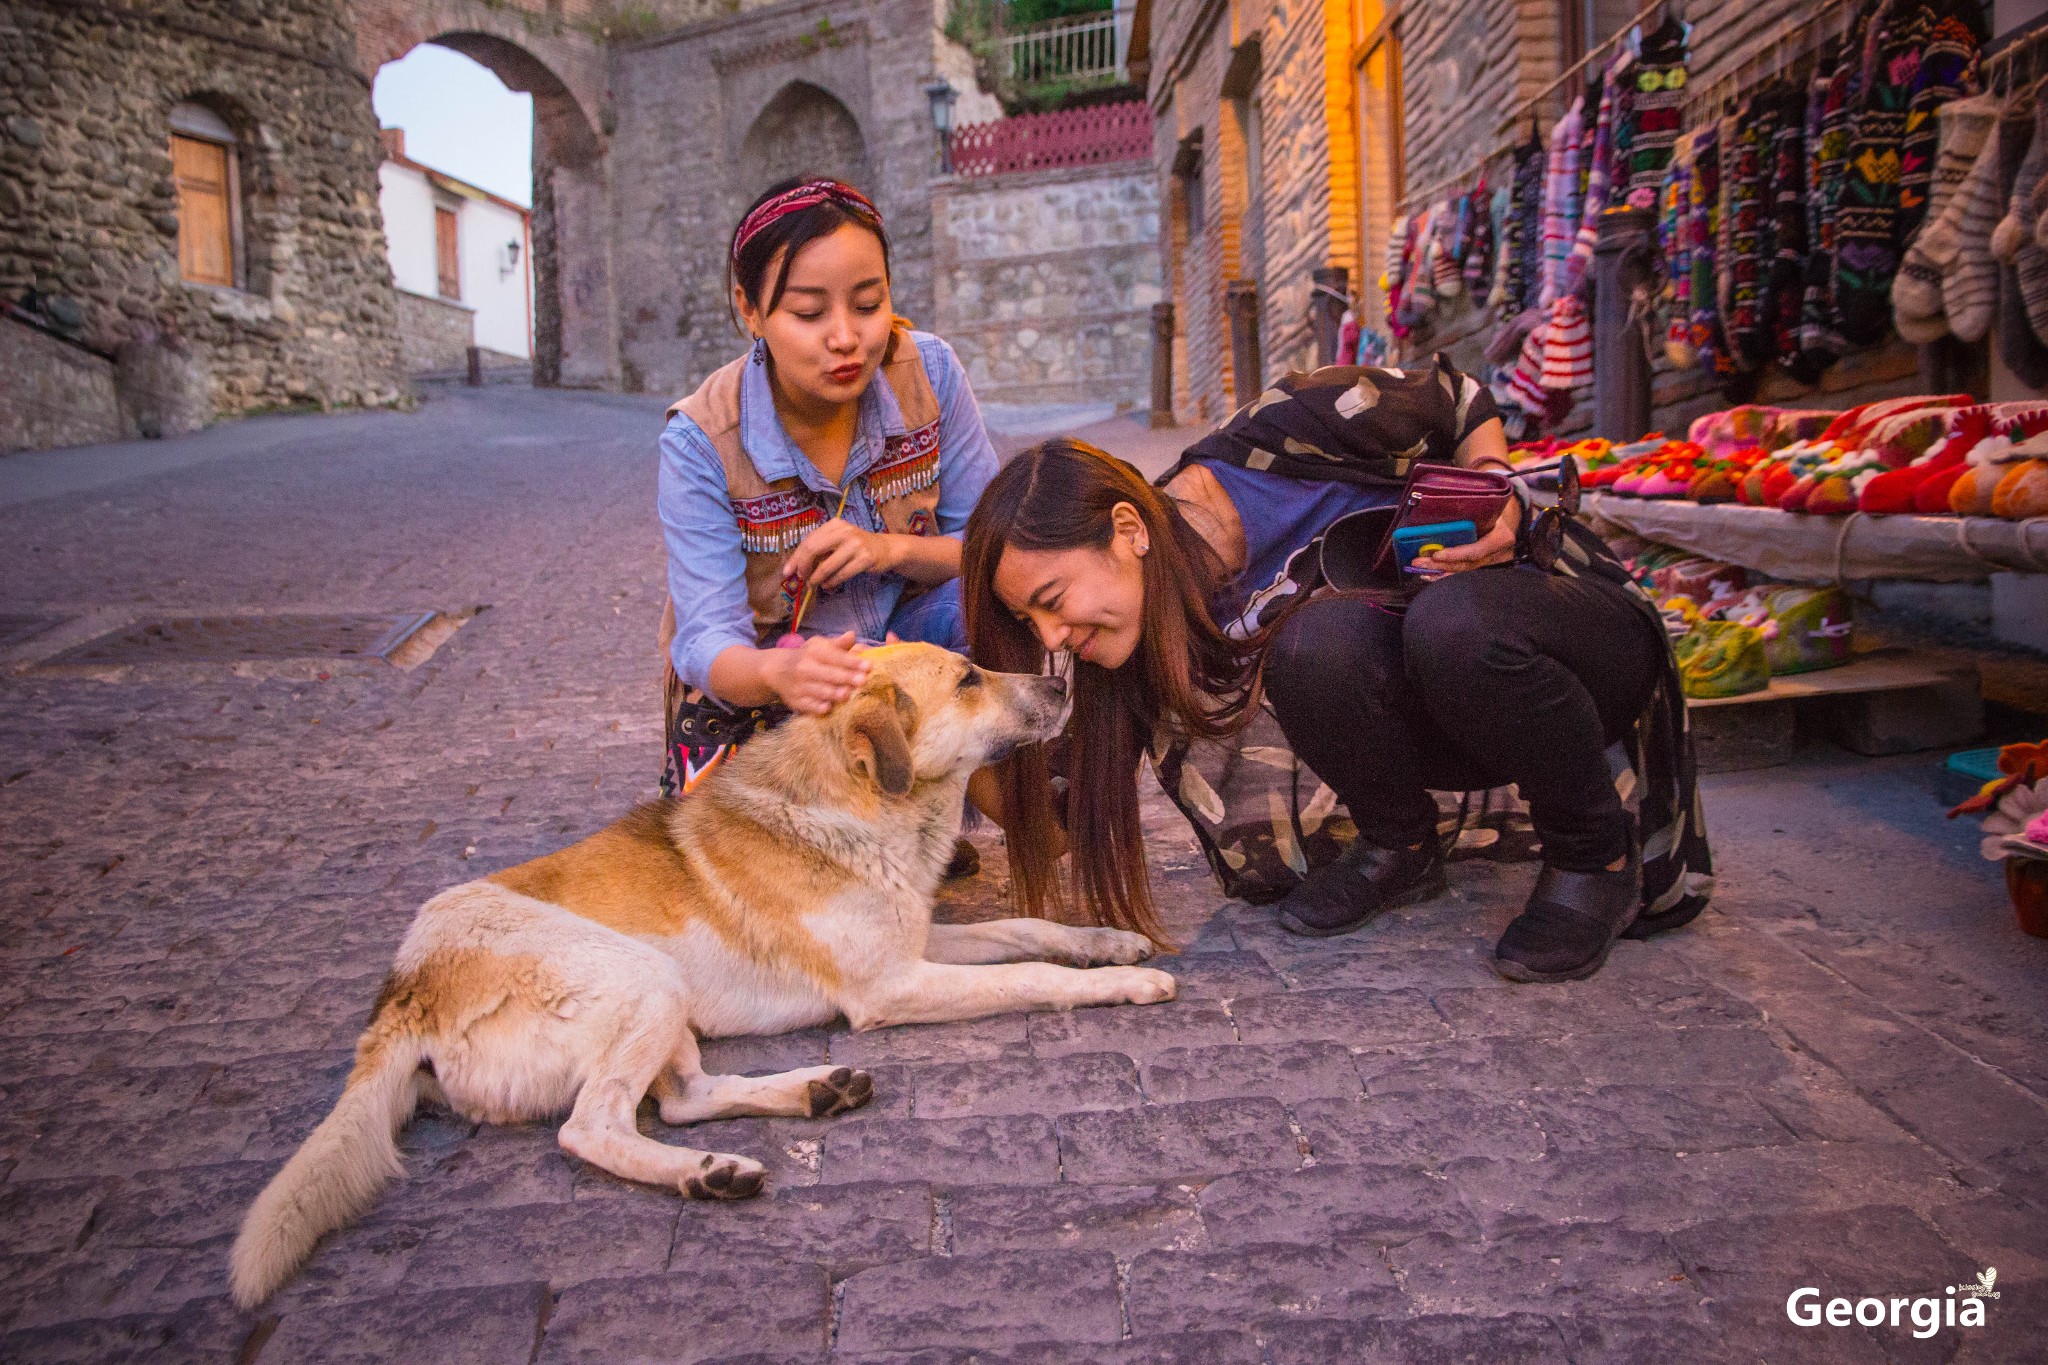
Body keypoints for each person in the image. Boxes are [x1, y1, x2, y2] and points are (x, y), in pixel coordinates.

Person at [961, 360, 1710, 982]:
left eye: (1051, 600)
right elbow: (1054, 822)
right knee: (1313, 643)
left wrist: (1494, 490)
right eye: (1031, 623)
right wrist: (924, 724)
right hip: (1452, 704)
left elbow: (1462, 397)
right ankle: (1401, 847)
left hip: (1573, 640)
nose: (1052, 635)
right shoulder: (1132, 638)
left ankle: (1594, 853)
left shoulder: (1284, 431)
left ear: (1128, 528)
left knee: (1450, 623)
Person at [657, 178, 999, 870]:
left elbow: (994, 545)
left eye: (869, 304)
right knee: (768, 873)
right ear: (749, 309)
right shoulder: (700, 439)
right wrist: (783, 671)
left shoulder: (928, 372)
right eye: (809, 313)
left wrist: (889, 547)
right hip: (773, 701)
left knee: (999, 607)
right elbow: (704, 638)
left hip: (913, 652)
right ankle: (892, 834)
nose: (847, 337)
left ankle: (1005, 823)